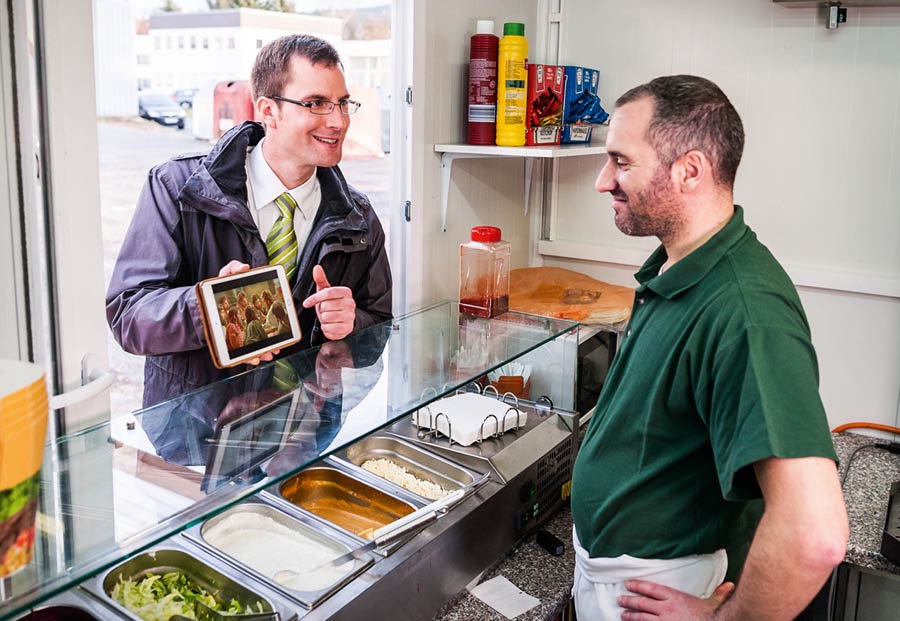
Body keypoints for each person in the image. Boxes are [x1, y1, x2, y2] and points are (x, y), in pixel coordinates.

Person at [569, 75, 848, 620]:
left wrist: (723, 619)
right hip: (620, 582)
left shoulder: (747, 313)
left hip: (670, 589)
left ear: (689, 170)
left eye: (621, 162)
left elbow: (815, 533)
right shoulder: (675, 268)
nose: (604, 181)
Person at [106, 34, 392, 408]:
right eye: (316, 103)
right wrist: (212, 309)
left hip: (307, 434)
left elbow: (380, 325)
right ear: (268, 111)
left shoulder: (358, 218)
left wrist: (350, 325)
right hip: (198, 437)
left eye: (342, 103)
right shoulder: (177, 188)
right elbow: (129, 315)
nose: (338, 121)